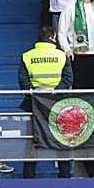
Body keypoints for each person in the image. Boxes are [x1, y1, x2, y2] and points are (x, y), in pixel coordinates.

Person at [19, 25, 73, 178]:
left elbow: (23, 81)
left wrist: (35, 94)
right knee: (62, 139)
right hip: (58, 103)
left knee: (32, 141)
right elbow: (68, 79)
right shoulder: (62, 55)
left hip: (34, 103)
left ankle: (29, 177)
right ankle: (64, 175)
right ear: (52, 37)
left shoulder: (27, 56)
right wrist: (54, 94)